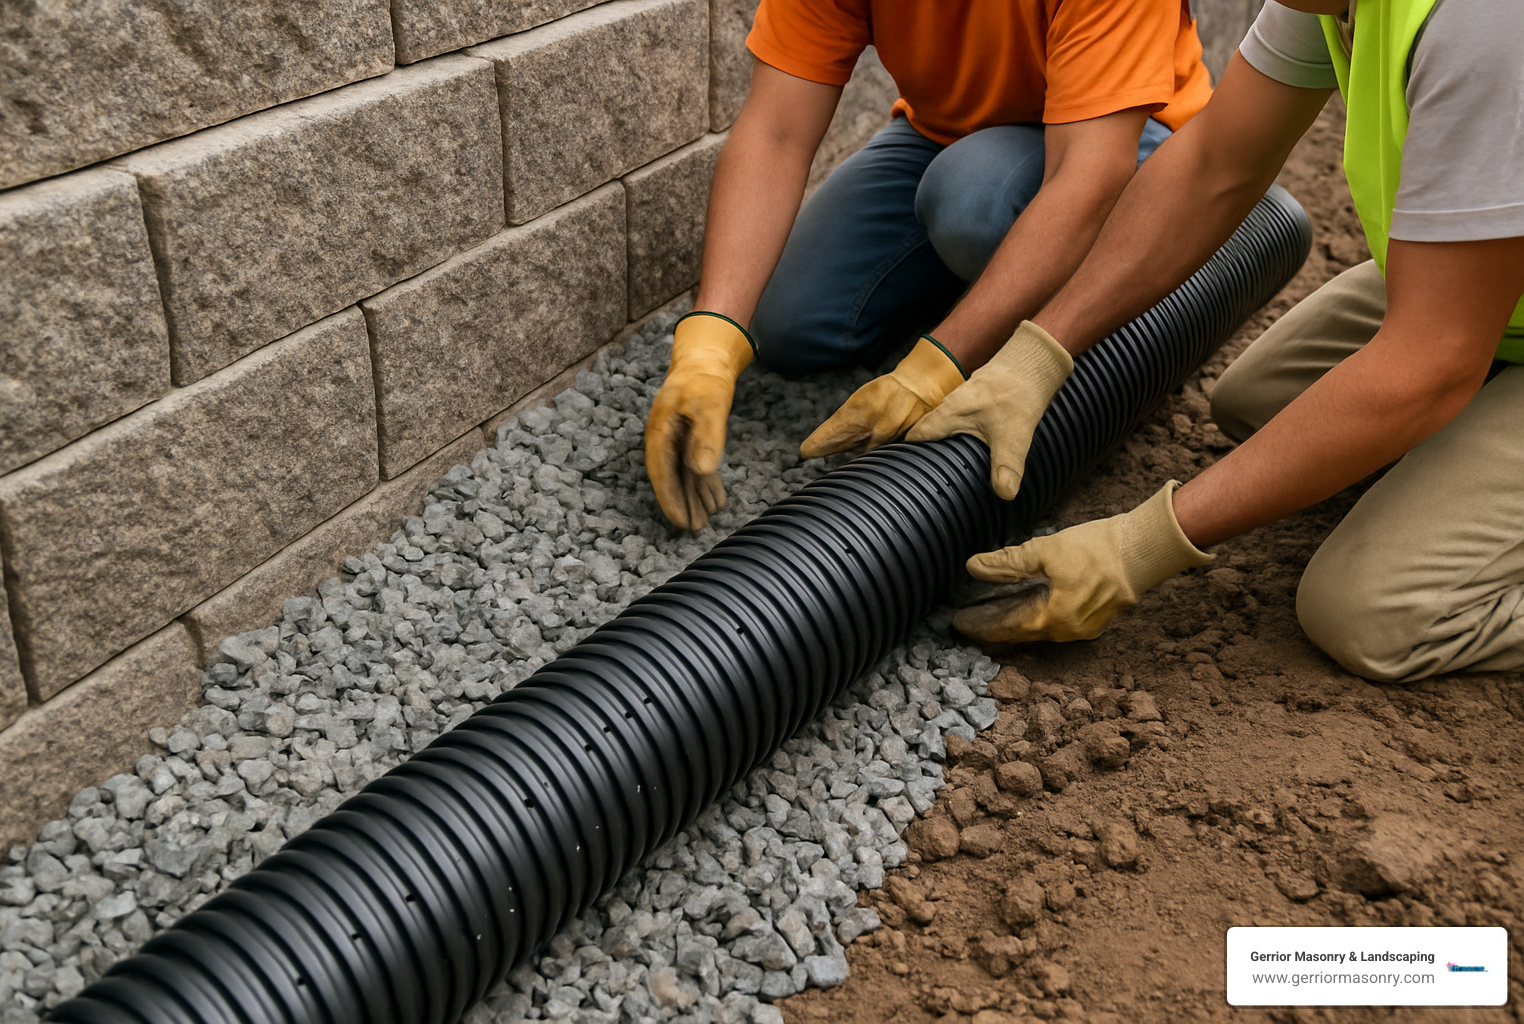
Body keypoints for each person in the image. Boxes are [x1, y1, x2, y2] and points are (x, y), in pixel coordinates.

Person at [910, 0, 1524, 682]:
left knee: (1370, 613)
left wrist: (1138, 545)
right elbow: (1212, 165)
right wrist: (1037, 355)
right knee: (1257, 402)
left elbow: (1428, 362)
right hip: (1483, 284)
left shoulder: (1488, 25)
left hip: (1469, 310)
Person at [643, 0, 1212, 530]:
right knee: (790, 322)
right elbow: (776, 131)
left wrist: (937, 366)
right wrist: (710, 342)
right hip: (946, 136)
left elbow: (1088, 177)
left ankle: (1040, 308)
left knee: (971, 204)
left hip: (1126, 138)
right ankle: (991, 280)